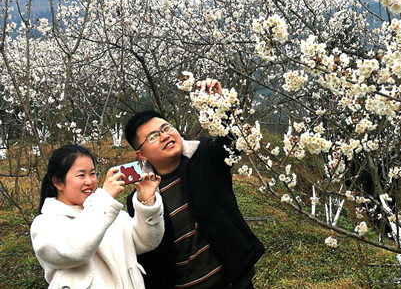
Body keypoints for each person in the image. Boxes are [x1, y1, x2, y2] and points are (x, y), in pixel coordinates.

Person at [124, 78, 265, 289]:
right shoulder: (142, 197)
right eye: (153, 136)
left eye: (166, 127)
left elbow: (233, 145)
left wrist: (220, 106)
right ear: (141, 154)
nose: (165, 136)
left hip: (234, 280)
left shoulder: (205, 154)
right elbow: (150, 253)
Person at [31, 144, 164, 288]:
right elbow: (76, 250)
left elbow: (146, 242)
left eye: (92, 173)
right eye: (81, 175)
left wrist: (147, 203)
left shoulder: (111, 213)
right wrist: (105, 199)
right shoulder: (45, 224)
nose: (90, 181)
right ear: (58, 182)